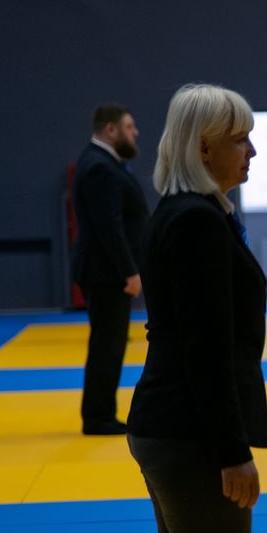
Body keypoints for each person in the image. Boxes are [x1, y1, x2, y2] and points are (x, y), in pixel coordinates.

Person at [126, 83, 267, 533]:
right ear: (204, 145)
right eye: (241, 139)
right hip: (189, 429)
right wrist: (232, 451)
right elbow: (206, 351)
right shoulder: (197, 223)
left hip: (168, 422)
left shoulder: (185, 212)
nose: (252, 151)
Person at [71, 103, 149, 435]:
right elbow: (109, 226)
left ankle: (100, 413)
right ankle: (97, 416)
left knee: (110, 343)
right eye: (129, 127)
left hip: (106, 270)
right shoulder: (100, 167)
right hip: (106, 272)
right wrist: (129, 271)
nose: (135, 133)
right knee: (107, 345)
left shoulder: (104, 163)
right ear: (111, 129)